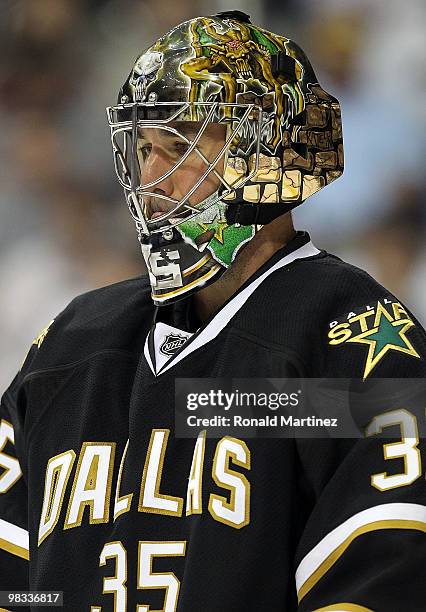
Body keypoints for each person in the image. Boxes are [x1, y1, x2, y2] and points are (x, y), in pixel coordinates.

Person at [1, 11, 425, 611]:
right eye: (142, 148)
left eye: (177, 146)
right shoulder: (70, 345)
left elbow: (381, 579)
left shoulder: (351, 340)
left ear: (267, 154)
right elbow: (14, 586)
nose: (151, 179)